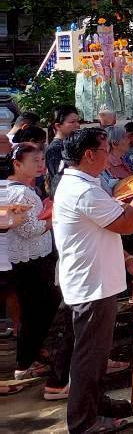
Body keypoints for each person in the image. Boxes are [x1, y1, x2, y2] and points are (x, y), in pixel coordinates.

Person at [53, 128, 133, 434]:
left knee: (96, 353)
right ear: (88, 155)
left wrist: (127, 261)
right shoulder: (82, 190)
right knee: (90, 355)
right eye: (104, 150)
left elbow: (103, 228)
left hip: (97, 279)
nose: (109, 156)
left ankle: (95, 402)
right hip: (91, 284)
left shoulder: (86, 185)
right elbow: (125, 224)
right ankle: (84, 421)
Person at [3, 144, 58, 381]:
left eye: (42, 159)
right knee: (37, 311)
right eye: (34, 160)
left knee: (38, 310)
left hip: (31, 257)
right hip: (29, 260)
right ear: (17, 164)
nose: (40, 164)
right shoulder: (20, 192)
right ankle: (25, 362)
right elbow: (29, 229)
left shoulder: (25, 188)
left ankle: (30, 356)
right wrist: (52, 219)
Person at [45, 104, 81, 193]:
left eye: (78, 121)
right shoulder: (55, 149)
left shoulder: (71, 145)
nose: (77, 125)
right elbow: (59, 178)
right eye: (72, 122)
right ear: (58, 126)